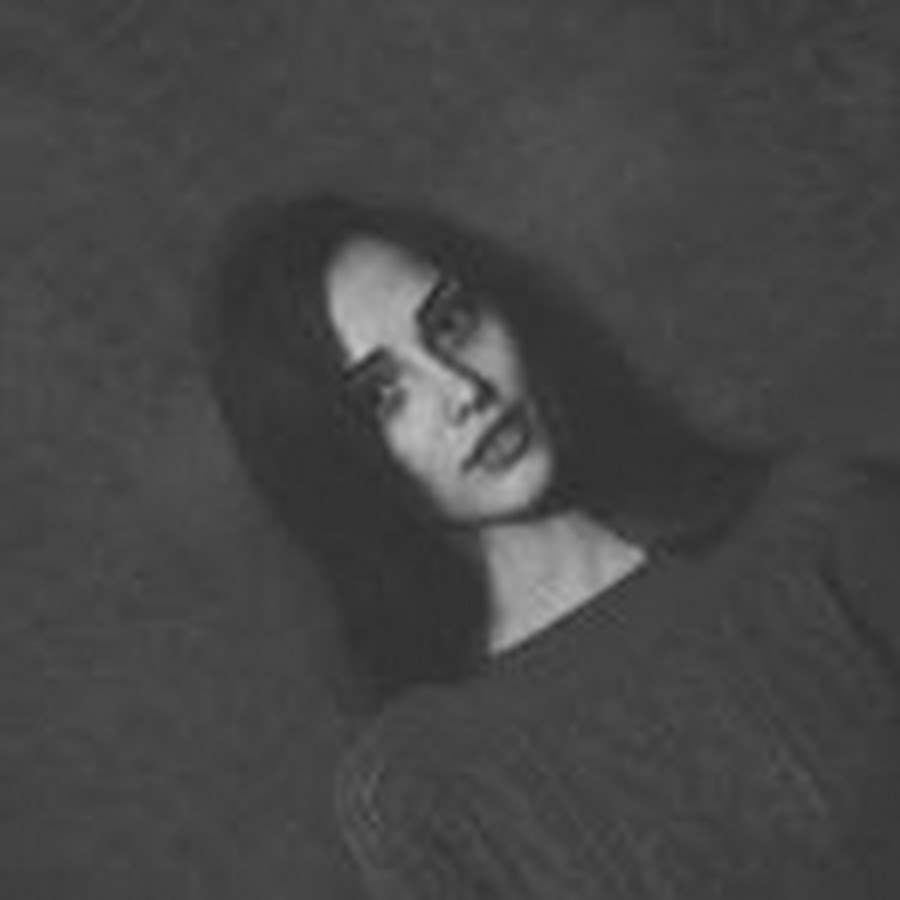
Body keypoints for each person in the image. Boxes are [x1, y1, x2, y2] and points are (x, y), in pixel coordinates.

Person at [198, 192, 900, 899]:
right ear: (328, 460)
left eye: (450, 323)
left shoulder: (823, 530)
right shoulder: (420, 787)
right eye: (383, 395)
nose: (461, 389)